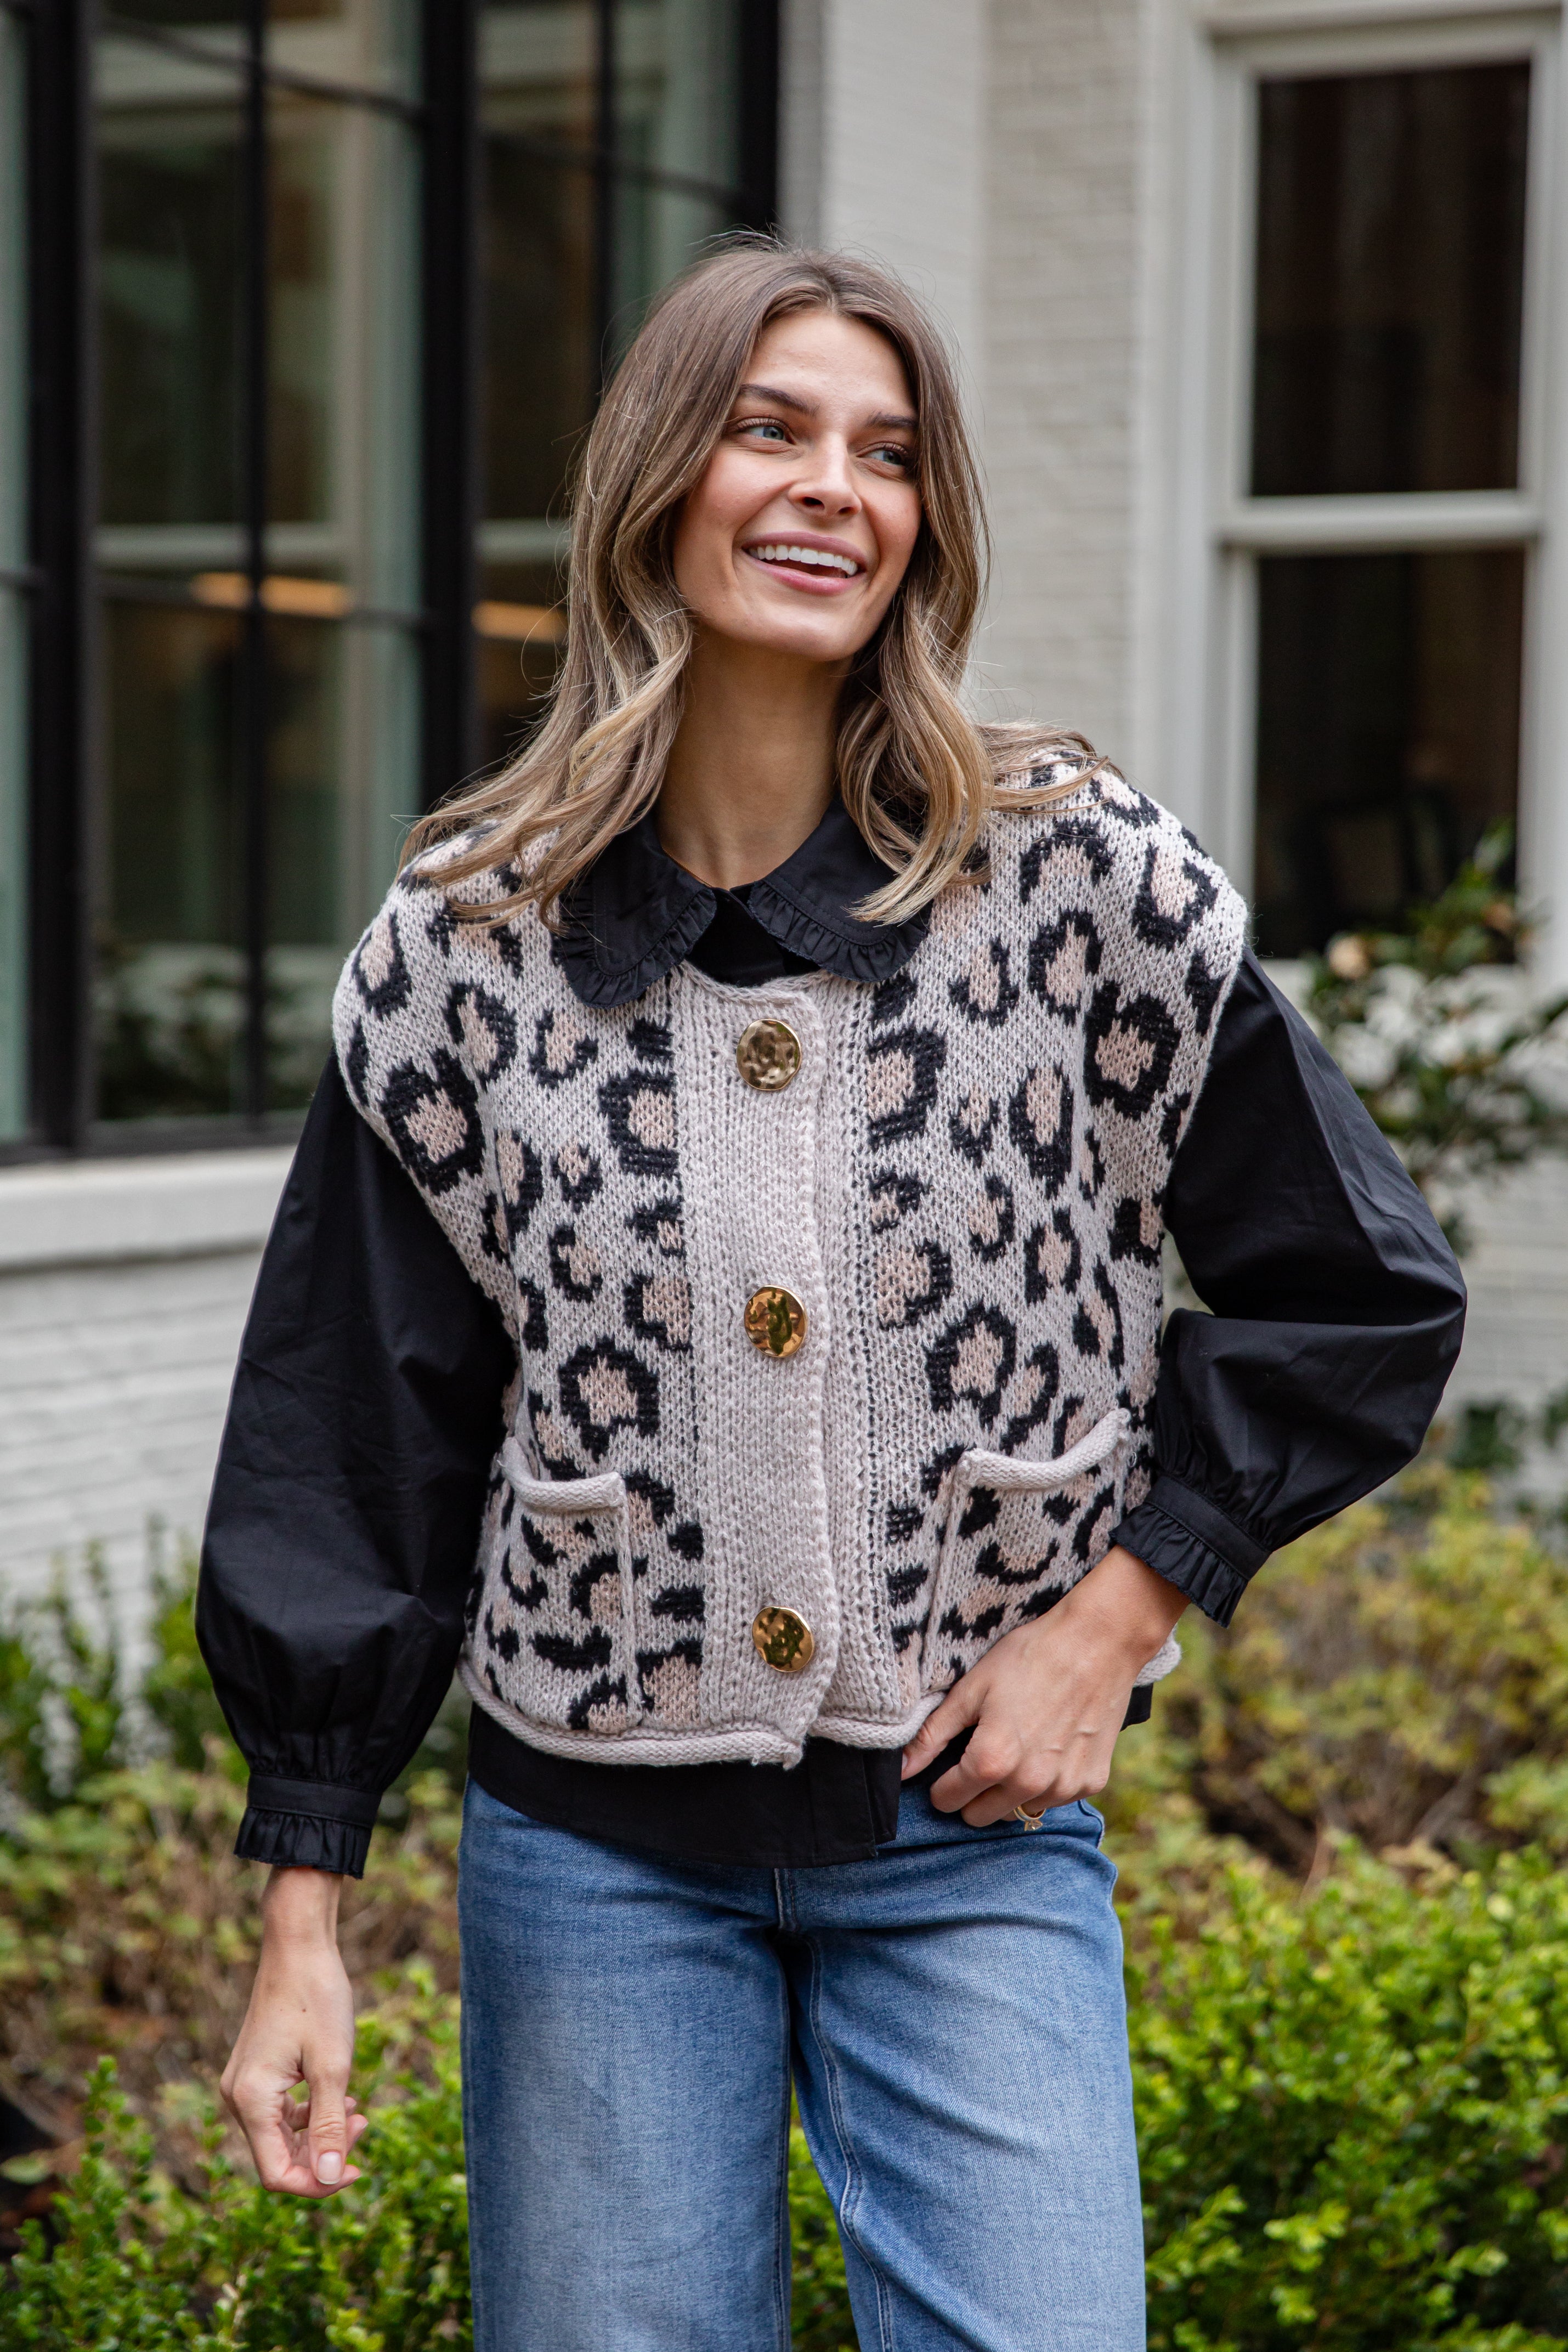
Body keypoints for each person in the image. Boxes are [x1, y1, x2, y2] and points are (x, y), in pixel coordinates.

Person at [197, 241, 1465, 2352]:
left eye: (885, 454)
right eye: (767, 429)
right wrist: (302, 1913)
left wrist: (1116, 1616)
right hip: (589, 1860)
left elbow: (1357, 1286)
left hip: (968, 1837)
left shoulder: (1076, 885)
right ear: (653, 483)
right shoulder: (461, 952)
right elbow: (351, 1437)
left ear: (924, 523)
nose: (829, 489)